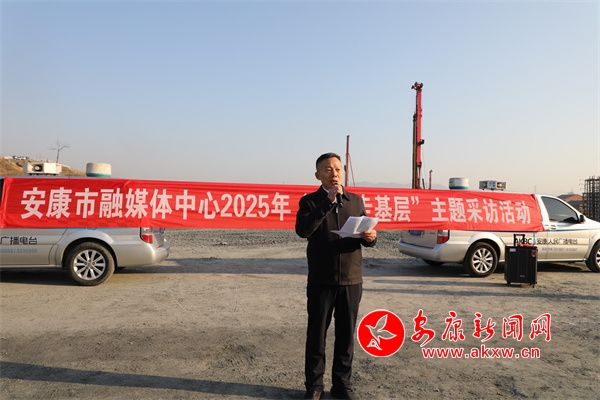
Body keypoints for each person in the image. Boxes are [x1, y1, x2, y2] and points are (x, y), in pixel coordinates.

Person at [295, 152, 377, 400]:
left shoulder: (355, 201)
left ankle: (342, 385)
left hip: (351, 280)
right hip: (322, 280)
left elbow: (365, 235)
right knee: (317, 335)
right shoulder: (310, 202)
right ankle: (314, 386)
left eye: (338, 169)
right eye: (328, 169)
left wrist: (370, 238)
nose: (334, 174)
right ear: (318, 175)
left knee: (346, 335)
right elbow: (303, 230)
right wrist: (327, 202)